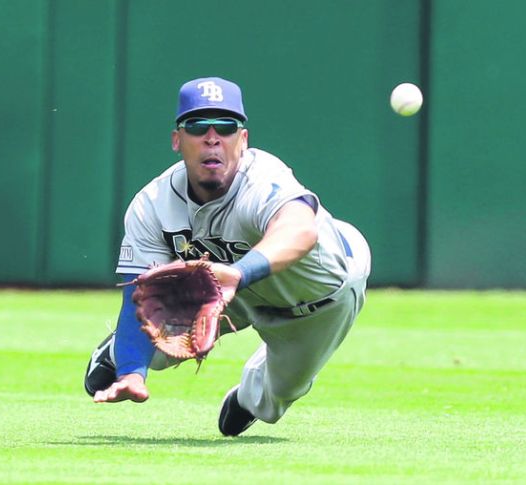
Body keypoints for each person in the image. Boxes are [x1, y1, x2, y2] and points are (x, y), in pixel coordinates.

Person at [84, 76, 371, 436]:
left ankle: (250, 396)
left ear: (244, 140)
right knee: (154, 338)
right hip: (229, 289)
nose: (212, 137)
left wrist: (238, 274)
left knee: (278, 396)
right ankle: (115, 351)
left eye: (226, 126)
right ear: (177, 140)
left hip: (320, 298)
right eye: (197, 126)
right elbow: (137, 297)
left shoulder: (263, 180)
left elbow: (301, 230)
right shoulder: (152, 205)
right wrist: (130, 372)